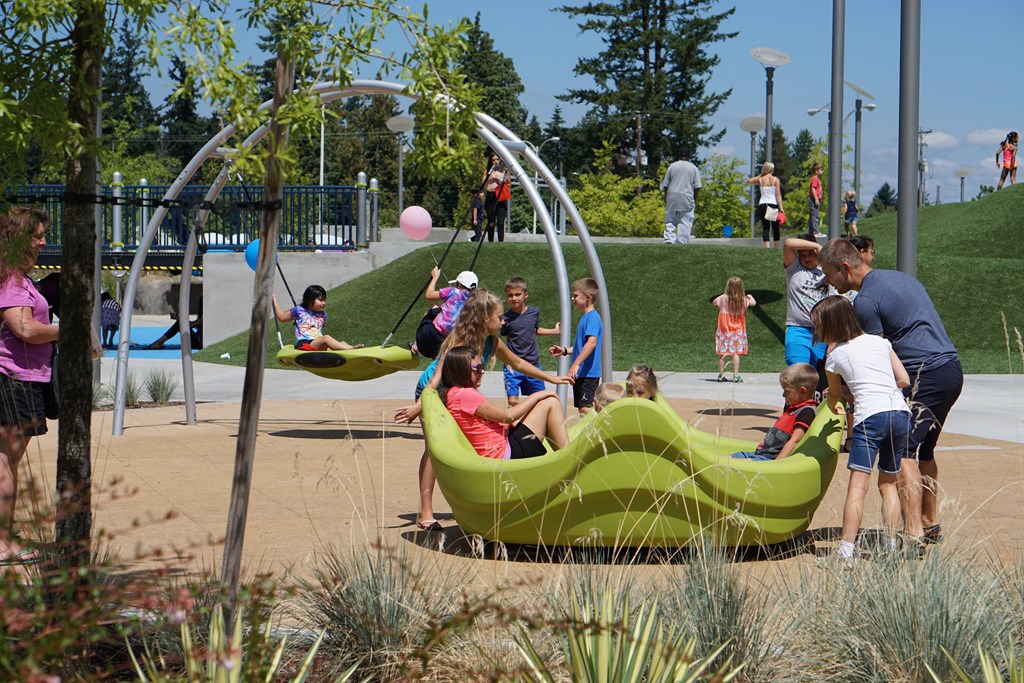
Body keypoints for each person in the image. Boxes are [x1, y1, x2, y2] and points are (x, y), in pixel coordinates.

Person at [819, 238, 963, 546]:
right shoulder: (900, 278)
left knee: (904, 452)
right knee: (924, 450)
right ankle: (929, 522)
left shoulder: (866, 301)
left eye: (829, 274)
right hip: (950, 369)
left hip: (924, 374)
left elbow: (873, 357)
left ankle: (913, 535)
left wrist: (842, 388)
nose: (828, 282)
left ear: (845, 268)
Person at [394, 288, 572, 531]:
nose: (503, 320)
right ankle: (425, 511)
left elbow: (518, 363)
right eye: (499, 317)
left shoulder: (491, 342)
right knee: (433, 449)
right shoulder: (458, 341)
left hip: (456, 393)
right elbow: (435, 380)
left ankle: (565, 466)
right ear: (483, 318)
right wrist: (418, 407)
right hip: (431, 394)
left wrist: (551, 378)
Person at [811, 295, 913, 559]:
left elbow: (834, 393)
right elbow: (902, 379)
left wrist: (847, 391)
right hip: (900, 413)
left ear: (830, 325)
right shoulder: (880, 342)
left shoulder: (835, 356)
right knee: (888, 483)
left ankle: (846, 552)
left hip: (870, 417)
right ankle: (890, 546)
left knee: (858, 486)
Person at [0, 207, 60, 564]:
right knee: (5, 460)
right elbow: (24, 329)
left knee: (10, 459)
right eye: (36, 235)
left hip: (25, 379)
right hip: (15, 380)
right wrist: (64, 331)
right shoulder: (11, 280)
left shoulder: (19, 278)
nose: (42, 241)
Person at [439, 345, 568, 460]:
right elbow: (507, 416)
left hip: (501, 448)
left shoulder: (453, 394)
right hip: (506, 454)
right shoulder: (466, 395)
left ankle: (564, 456)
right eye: (478, 368)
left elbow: (496, 420)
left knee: (541, 407)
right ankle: (569, 459)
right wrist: (537, 395)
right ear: (461, 370)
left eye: (482, 366)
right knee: (550, 401)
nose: (482, 371)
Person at [730, 363, 819, 462]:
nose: (783, 395)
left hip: (769, 459)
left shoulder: (806, 411)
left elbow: (795, 440)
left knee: (732, 464)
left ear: (802, 391)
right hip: (759, 454)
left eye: (787, 391)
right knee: (725, 459)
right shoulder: (792, 408)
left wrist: (777, 464)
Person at [500, 277, 559, 406]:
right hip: (513, 366)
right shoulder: (505, 318)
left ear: (525, 295)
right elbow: (503, 334)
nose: (514, 298)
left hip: (532, 364)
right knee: (512, 401)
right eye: (510, 295)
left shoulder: (534, 312)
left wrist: (554, 331)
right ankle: (516, 424)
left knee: (540, 399)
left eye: (517, 294)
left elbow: (535, 330)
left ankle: (532, 424)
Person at [549, 278, 603, 415]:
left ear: (587, 297)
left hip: (588, 373)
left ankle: (600, 433)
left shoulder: (593, 318)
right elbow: (583, 347)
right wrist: (565, 351)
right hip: (583, 373)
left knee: (585, 408)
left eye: (575, 295)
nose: (573, 298)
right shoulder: (586, 317)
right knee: (584, 407)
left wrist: (576, 364)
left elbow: (592, 343)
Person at [272, 285, 361, 351]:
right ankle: (350, 349)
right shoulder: (299, 310)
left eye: (324, 300)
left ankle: (353, 352)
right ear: (310, 300)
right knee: (326, 338)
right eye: (320, 300)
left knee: (342, 343)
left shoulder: (323, 314)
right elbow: (282, 317)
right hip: (305, 344)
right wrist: (274, 300)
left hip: (317, 343)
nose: (323, 303)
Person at [782, 236, 827, 367]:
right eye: (802, 255)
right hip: (798, 330)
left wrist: (820, 252)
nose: (807, 258)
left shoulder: (826, 270)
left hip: (822, 332)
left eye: (811, 254)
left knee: (817, 377)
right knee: (799, 373)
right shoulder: (794, 269)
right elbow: (788, 243)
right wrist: (816, 246)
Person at [413, 268, 477, 359]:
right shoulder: (474, 304)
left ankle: (416, 346)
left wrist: (435, 277)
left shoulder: (453, 291)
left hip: (425, 335)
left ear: (459, 284)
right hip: (440, 346)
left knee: (434, 308)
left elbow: (428, 295)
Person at [712, 276, 757, 383]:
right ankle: (735, 376)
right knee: (735, 353)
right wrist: (749, 296)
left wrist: (723, 295)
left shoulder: (722, 299)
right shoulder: (743, 301)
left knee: (722, 353)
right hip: (737, 332)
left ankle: (721, 375)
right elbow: (754, 303)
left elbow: (714, 302)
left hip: (724, 331)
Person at [660, 149, 702, 245]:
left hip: (672, 195)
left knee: (670, 218)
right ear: (689, 156)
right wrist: (694, 199)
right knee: (686, 219)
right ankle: (682, 241)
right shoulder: (693, 167)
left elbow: (666, 184)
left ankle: (669, 239)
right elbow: (697, 186)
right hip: (686, 195)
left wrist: (666, 197)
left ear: (679, 155)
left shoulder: (672, 166)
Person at [747, 162, 784, 248]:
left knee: (765, 227)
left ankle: (767, 247)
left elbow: (748, 181)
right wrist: (781, 207)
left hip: (762, 204)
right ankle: (776, 247)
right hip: (773, 204)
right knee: (775, 227)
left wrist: (761, 175)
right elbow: (778, 194)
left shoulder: (760, 179)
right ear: (771, 170)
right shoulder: (776, 180)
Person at [482, 152, 510, 242]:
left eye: (497, 159)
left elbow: (509, 183)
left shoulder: (504, 171)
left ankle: (501, 242)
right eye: (493, 160)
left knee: (501, 221)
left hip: (501, 197)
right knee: (491, 222)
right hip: (491, 196)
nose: (495, 162)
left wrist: (503, 183)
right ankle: (491, 241)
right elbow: (483, 185)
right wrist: (489, 179)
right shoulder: (488, 171)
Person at [807, 162, 823, 237]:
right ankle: (815, 232)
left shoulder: (817, 179)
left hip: (815, 199)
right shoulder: (814, 179)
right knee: (815, 216)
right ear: (816, 171)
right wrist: (816, 198)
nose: (822, 171)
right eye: (821, 169)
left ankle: (810, 232)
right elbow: (813, 189)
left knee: (812, 216)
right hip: (814, 200)